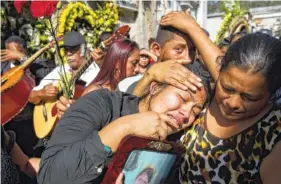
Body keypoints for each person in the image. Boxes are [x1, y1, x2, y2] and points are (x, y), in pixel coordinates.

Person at [37, 62, 210, 184]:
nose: (186, 114)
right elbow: (50, 177)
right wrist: (122, 128)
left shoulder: (177, 144)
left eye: (195, 111)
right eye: (182, 98)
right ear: (155, 88)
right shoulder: (101, 104)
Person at [159, 11, 281, 183]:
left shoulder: (274, 132)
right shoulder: (204, 94)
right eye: (227, 88)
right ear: (219, 72)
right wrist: (191, 26)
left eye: (250, 98)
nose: (232, 103)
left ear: (271, 94)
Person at [56, 38, 141, 118]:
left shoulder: (134, 89)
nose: (138, 69)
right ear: (117, 63)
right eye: (134, 63)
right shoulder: (95, 92)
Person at [29, 31, 100, 105]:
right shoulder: (60, 70)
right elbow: (31, 97)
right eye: (66, 50)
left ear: (83, 49)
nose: (68, 54)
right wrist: (41, 93)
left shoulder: (96, 71)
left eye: (73, 49)